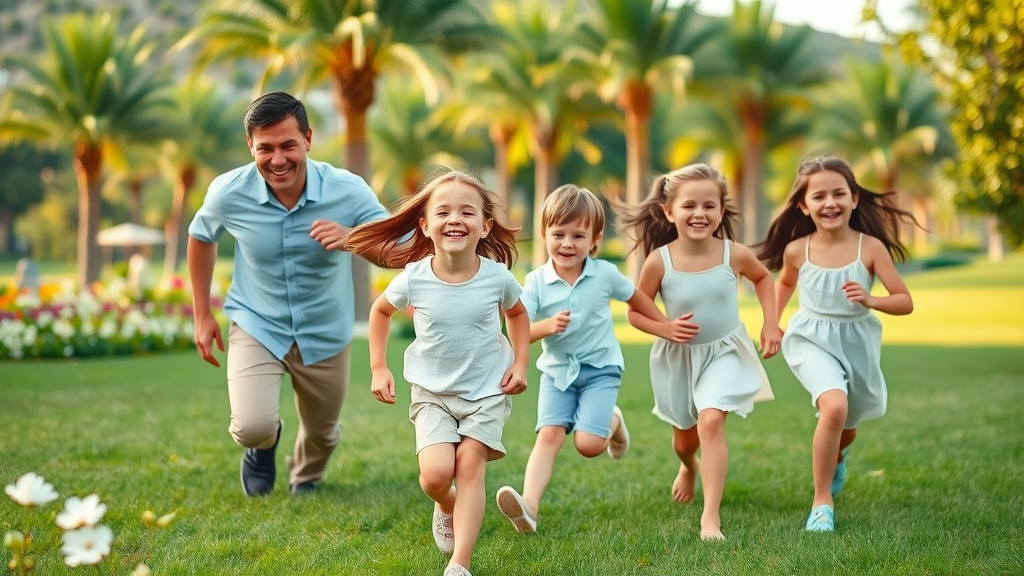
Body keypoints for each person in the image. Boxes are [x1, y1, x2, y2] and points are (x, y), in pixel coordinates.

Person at [187, 91, 394, 497]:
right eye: (265, 148)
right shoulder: (229, 192)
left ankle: (305, 476)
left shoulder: (347, 191)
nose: (277, 160)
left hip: (325, 328)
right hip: (256, 322)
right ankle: (263, 446)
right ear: (250, 146)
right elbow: (200, 236)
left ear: (308, 139)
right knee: (251, 425)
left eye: (288, 146)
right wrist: (201, 314)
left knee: (323, 433)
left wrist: (353, 238)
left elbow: (394, 251)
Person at [346, 170, 529, 576]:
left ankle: (459, 564)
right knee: (434, 476)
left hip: (486, 391)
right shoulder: (415, 278)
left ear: (485, 226)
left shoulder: (496, 277)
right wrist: (379, 367)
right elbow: (379, 311)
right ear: (426, 226)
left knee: (469, 466)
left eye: (467, 212)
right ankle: (446, 504)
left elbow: (517, 314)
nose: (455, 219)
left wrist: (520, 362)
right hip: (432, 393)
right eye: (443, 212)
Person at [494, 184, 693, 535]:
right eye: (558, 234)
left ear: (595, 238)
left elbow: (637, 299)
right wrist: (546, 327)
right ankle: (529, 507)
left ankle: (612, 422)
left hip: (601, 371)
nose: (567, 244)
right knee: (550, 434)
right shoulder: (538, 281)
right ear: (544, 234)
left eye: (578, 235)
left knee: (588, 446)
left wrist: (665, 325)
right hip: (556, 374)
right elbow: (518, 326)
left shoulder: (604, 275)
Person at [618, 163, 780, 541]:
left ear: (721, 212)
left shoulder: (733, 254)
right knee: (685, 440)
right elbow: (634, 312)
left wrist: (771, 323)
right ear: (667, 211)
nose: (700, 213)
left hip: (724, 352)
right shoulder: (660, 260)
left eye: (710, 205)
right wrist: (665, 329)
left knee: (711, 422)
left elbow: (763, 278)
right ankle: (689, 466)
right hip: (677, 359)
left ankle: (711, 518)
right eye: (689, 205)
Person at [758, 156, 916, 533]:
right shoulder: (798, 250)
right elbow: (783, 284)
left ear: (854, 199)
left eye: (839, 194)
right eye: (819, 196)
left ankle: (839, 453)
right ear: (803, 205)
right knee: (834, 407)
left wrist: (871, 299)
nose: (830, 203)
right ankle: (821, 502)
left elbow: (904, 301)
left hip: (856, 339)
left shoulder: (871, 248)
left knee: (848, 421)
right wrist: (772, 324)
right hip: (810, 338)